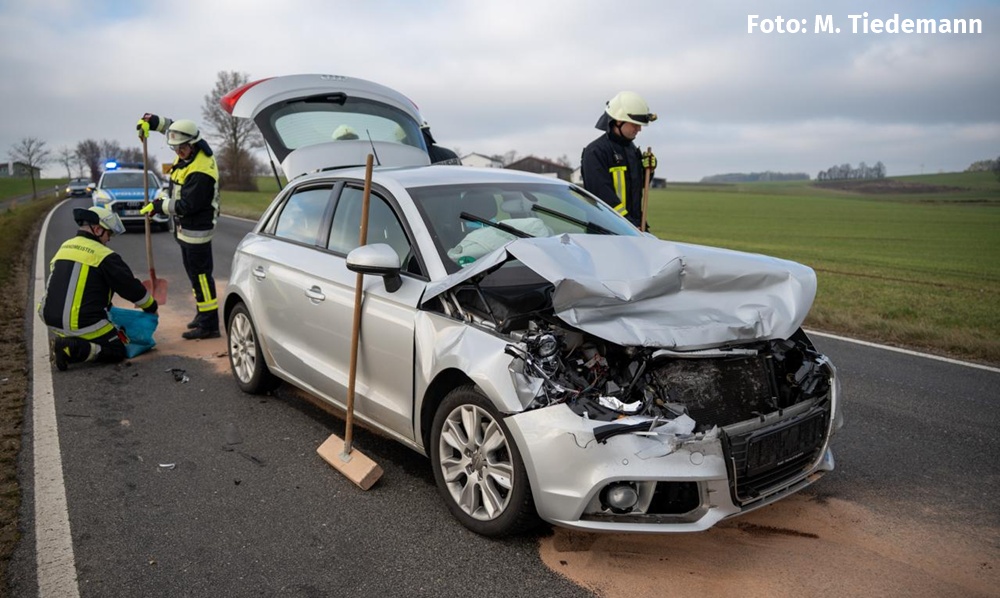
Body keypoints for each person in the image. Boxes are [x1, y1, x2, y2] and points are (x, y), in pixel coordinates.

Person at [39, 207, 158, 371]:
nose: (109, 239)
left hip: (50, 318)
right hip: (81, 323)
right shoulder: (103, 255)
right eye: (108, 234)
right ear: (97, 229)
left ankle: (70, 339)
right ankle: (74, 348)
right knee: (117, 349)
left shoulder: (65, 246)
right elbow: (130, 287)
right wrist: (151, 306)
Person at [137, 114, 221, 339]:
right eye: (174, 149)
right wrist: (154, 122)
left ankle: (210, 325)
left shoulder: (201, 171)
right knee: (195, 277)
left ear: (192, 145)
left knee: (201, 278)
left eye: (181, 149)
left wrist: (159, 205)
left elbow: (188, 205)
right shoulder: (188, 147)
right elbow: (173, 127)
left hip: (197, 231)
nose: (177, 152)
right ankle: (202, 314)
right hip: (185, 229)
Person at [580, 91, 657, 229]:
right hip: (606, 232)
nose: (639, 129)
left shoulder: (632, 149)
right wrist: (628, 225)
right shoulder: (595, 152)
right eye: (635, 124)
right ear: (619, 121)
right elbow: (602, 198)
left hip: (632, 229)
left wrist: (648, 171)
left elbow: (637, 188)